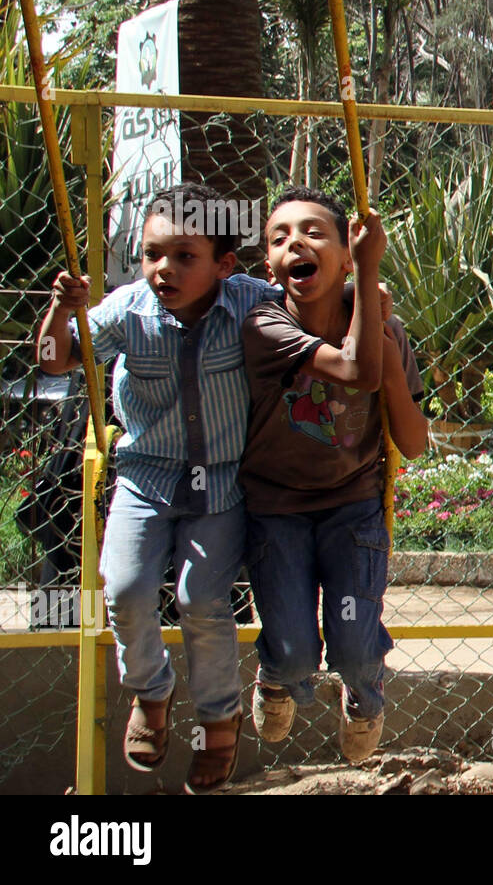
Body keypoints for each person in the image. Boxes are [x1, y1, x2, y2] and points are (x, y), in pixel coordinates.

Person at [35, 182, 280, 793]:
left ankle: (218, 717)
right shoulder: (126, 308)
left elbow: (315, 306)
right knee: (124, 588)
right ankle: (150, 691)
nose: (162, 268)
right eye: (151, 254)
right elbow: (55, 359)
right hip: (146, 478)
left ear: (224, 265)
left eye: (183, 256)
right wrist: (64, 309)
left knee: (202, 600)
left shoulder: (251, 301)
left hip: (221, 483)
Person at [238, 187, 427, 762]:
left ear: (345, 254)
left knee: (353, 645)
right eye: (279, 237)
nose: (295, 242)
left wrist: (390, 353)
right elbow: (354, 369)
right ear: (269, 266)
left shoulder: (389, 331)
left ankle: (365, 697)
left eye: (314, 232)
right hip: (277, 510)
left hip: (352, 509)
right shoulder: (263, 324)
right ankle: (278, 677)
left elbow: (414, 445)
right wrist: (369, 276)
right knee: (294, 649)